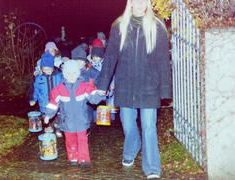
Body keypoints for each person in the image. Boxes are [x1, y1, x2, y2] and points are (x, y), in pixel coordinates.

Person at [96, 0, 171, 179]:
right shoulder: (119, 27)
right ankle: (131, 149)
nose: (140, 4)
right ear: (130, 3)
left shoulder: (157, 27)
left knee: (149, 127)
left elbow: (163, 61)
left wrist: (165, 90)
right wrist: (102, 85)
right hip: (125, 85)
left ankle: (152, 167)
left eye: (144, 0)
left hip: (149, 86)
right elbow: (110, 57)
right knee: (128, 125)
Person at [43, 60, 105, 169]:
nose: (71, 76)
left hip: (81, 120)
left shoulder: (84, 87)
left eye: (74, 73)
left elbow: (93, 95)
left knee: (82, 140)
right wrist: (48, 115)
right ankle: (73, 158)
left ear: (78, 74)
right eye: (69, 74)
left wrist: (100, 94)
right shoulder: (58, 90)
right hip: (67, 121)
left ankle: (84, 159)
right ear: (65, 74)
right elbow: (53, 103)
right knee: (70, 141)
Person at [29, 51, 63, 137]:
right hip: (44, 101)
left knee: (58, 114)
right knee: (46, 115)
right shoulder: (39, 78)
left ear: (53, 67)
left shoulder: (59, 75)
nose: (47, 71)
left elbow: (63, 86)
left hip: (57, 101)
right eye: (44, 69)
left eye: (49, 69)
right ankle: (48, 126)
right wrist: (33, 99)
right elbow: (34, 89)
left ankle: (58, 127)